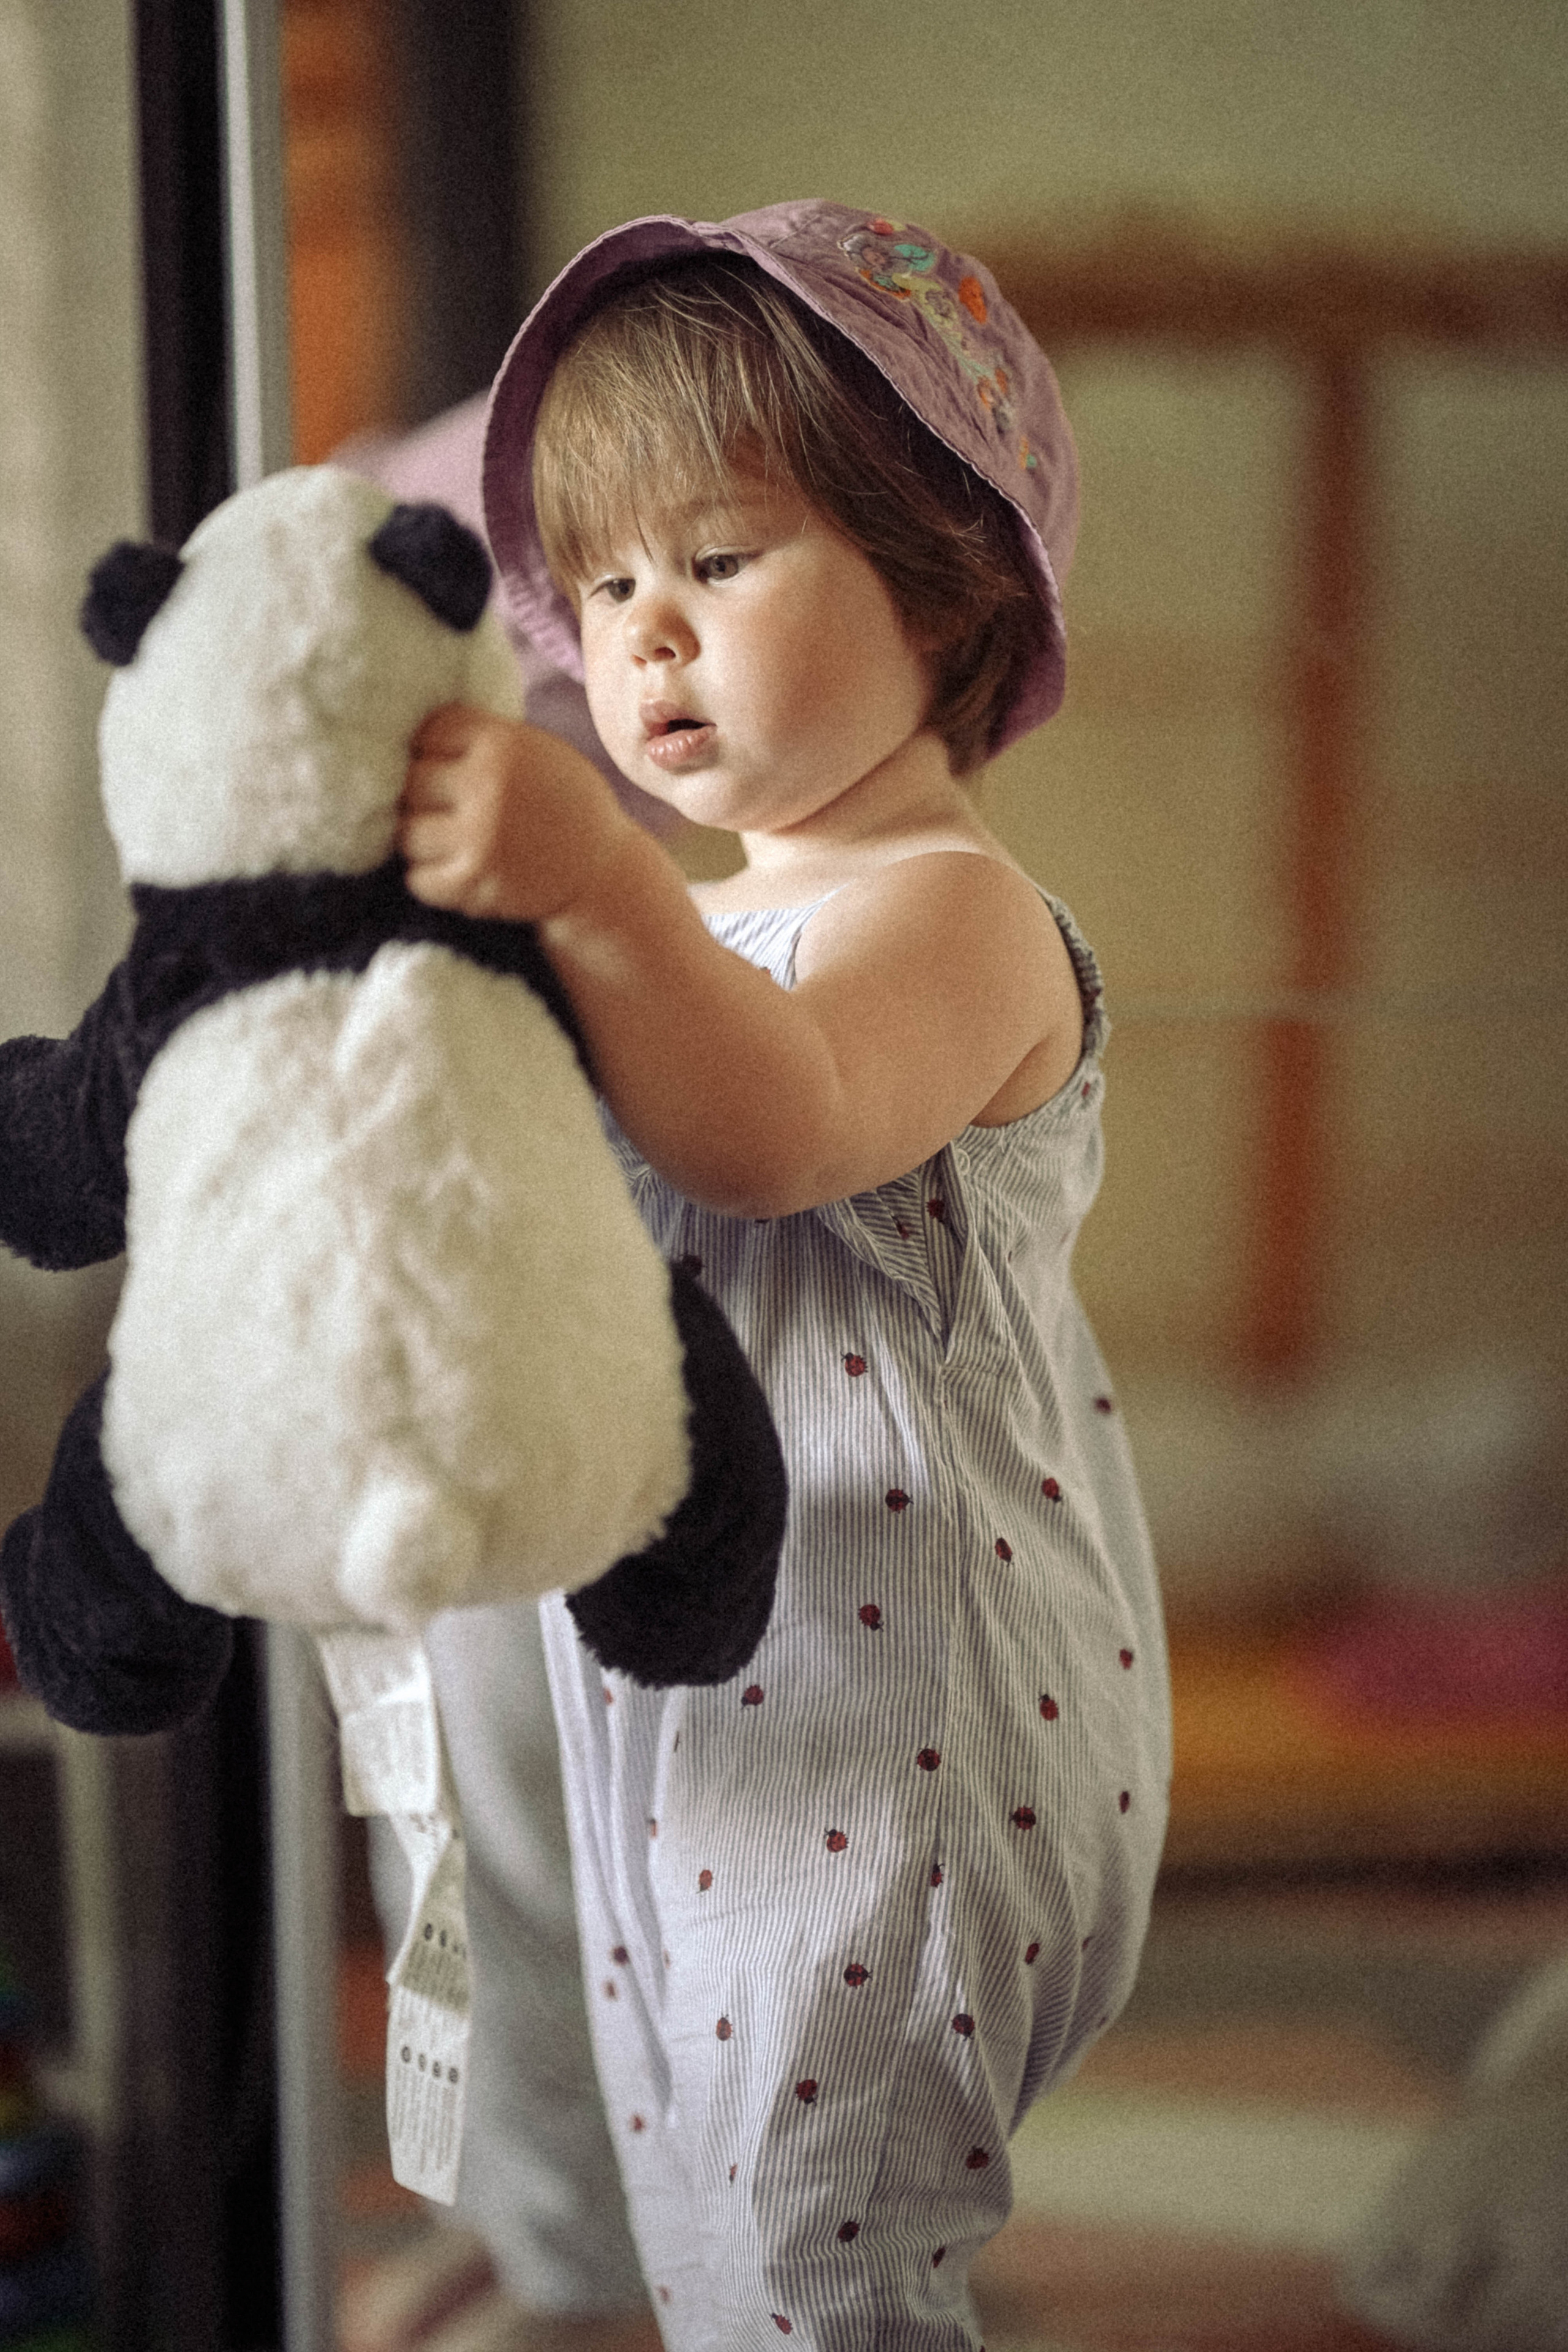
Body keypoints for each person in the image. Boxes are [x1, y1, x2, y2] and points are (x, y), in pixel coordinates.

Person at [358, 200, 1170, 2352]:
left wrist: (595, 895)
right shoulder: (699, 921)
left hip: (902, 1737)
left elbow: (773, 1122)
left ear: (944, 575)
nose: (641, 641)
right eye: (605, 585)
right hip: (717, 1708)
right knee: (711, 2180)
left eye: (715, 563)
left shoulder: (948, 912)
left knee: (829, 2246)